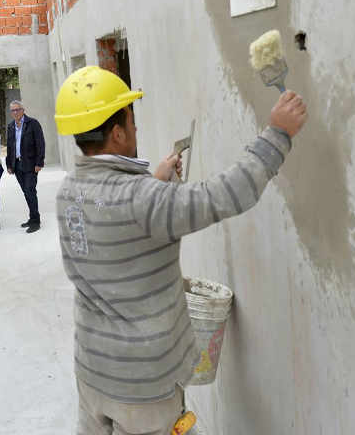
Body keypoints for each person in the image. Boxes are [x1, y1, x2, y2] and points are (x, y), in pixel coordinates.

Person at [53, 66, 308, 434]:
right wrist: (278, 134)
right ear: (117, 133)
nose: (136, 129)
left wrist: (155, 183)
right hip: (144, 385)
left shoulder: (68, 191)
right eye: (132, 121)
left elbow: (116, 219)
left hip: (93, 372)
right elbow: (223, 196)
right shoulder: (143, 200)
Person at [4, 101, 45, 233]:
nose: (15, 112)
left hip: (30, 164)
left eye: (18, 109)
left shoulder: (32, 123)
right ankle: (32, 217)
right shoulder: (11, 126)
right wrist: (9, 164)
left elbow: (40, 143)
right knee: (26, 192)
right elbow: (10, 147)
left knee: (30, 191)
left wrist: (39, 162)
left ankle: (36, 221)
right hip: (17, 165)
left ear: (23, 110)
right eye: (13, 110)